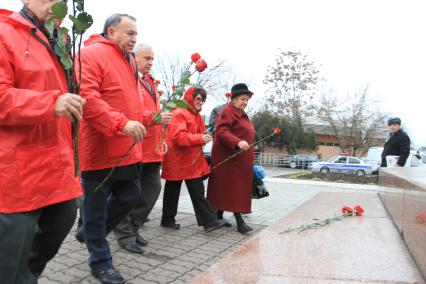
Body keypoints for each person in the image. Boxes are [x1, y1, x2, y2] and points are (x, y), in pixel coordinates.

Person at [0, 2, 86, 283]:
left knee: (63, 218)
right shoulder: (4, 33)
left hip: (55, 163)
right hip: (18, 170)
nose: (57, 5)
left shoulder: (56, 42)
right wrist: (51, 103)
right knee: (9, 258)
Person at [76, 14, 149, 284]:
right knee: (94, 208)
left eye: (135, 34)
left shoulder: (128, 60)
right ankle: (100, 262)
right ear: (111, 31)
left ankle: (90, 234)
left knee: (131, 193)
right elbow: (88, 98)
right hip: (101, 146)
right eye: (130, 33)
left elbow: (129, 98)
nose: (134, 39)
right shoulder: (90, 54)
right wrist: (121, 123)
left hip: (128, 146)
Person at [113, 44, 172, 254]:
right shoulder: (129, 79)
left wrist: (161, 137)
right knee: (131, 193)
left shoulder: (149, 82)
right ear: (133, 57)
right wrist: (155, 119)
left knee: (152, 188)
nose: (150, 62)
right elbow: (131, 111)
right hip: (135, 144)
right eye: (146, 58)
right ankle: (124, 233)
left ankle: (134, 227)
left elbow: (153, 112)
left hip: (151, 147)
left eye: (152, 59)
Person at [160, 86, 227, 232]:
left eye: (203, 100)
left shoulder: (194, 114)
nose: (201, 102)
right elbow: (178, 137)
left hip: (187, 160)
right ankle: (208, 221)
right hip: (178, 159)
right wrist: (200, 138)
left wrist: (206, 134)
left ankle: (169, 219)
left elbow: (199, 132)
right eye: (198, 98)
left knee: (180, 189)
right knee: (182, 190)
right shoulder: (179, 112)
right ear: (190, 97)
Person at [207, 83, 255, 234]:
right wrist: (237, 142)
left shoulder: (240, 113)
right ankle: (240, 223)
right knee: (235, 190)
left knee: (227, 189)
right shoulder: (227, 112)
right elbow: (221, 131)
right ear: (233, 99)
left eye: (247, 100)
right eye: (242, 99)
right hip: (229, 159)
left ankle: (218, 216)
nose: (245, 102)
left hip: (239, 159)